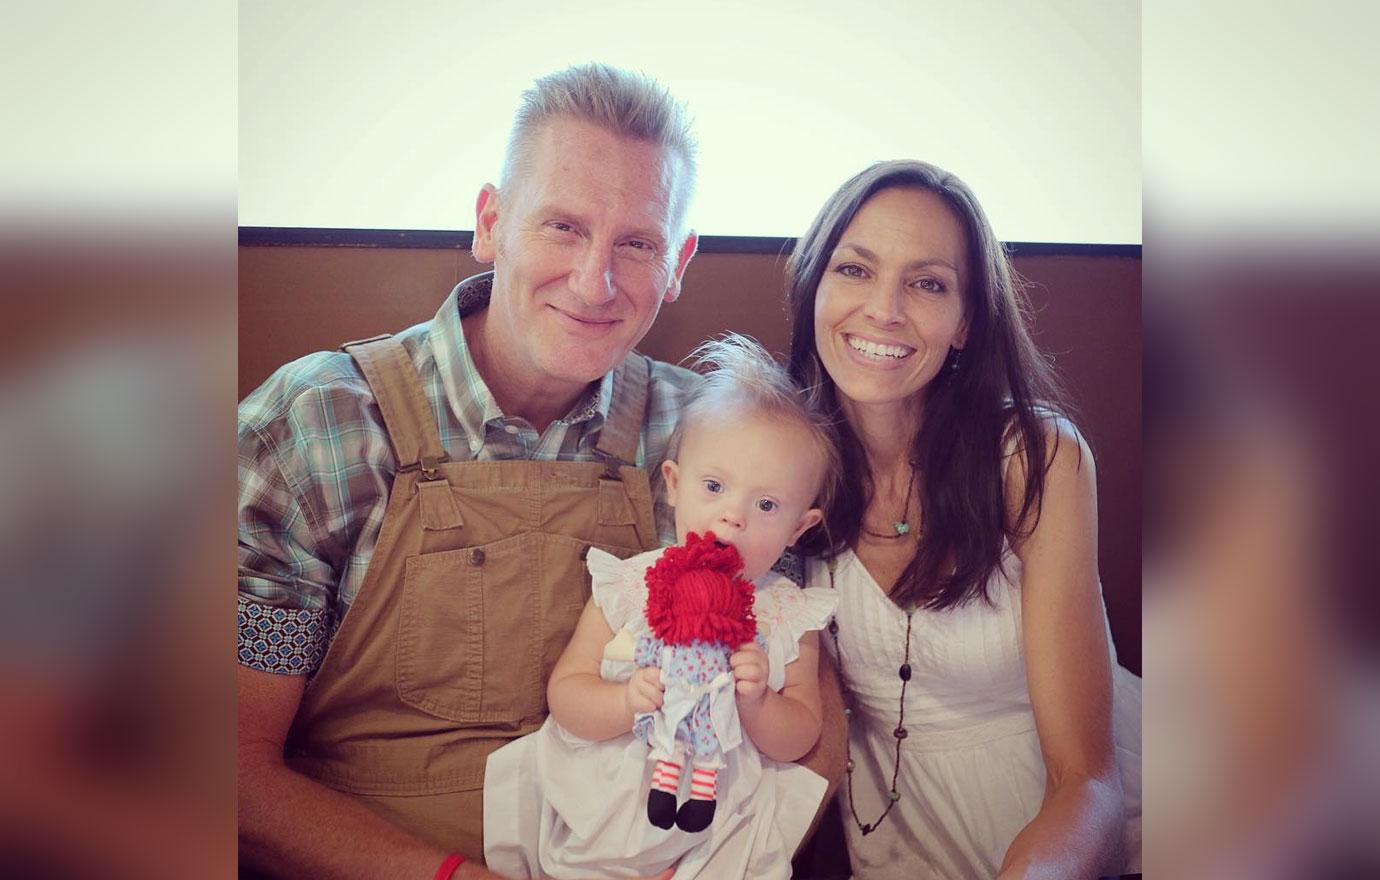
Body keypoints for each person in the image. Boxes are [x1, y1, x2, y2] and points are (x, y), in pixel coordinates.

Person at [237, 64, 846, 880]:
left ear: (678, 263)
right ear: (492, 222)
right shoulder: (319, 428)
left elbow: (810, 704)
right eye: (562, 226)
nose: (595, 281)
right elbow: (232, 774)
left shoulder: (716, 447)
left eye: (637, 243)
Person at [785, 160, 1142, 879]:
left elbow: (1089, 781)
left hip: (1082, 843)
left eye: (928, 283)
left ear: (965, 323)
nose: (885, 309)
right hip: (899, 850)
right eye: (855, 270)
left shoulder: (1035, 460)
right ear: (813, 285)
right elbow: (805, 738)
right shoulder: (784, 473)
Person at [483, 335, 840, 879]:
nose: (734, 517)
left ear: (799, 527)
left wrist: (760, 703)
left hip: (722, 815)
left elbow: (802, 735)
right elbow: (567, 693)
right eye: (715, 486)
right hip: (613, 790)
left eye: (766, 504)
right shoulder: (632, 585)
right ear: (674, 485)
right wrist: (626, 699)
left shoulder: (787, 613)